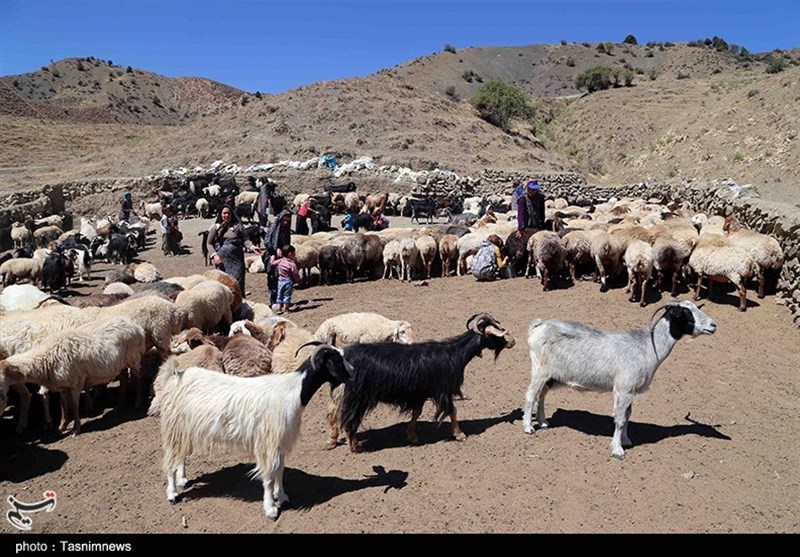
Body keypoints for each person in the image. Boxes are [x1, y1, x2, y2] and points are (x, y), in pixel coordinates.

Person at [206, 205, 263, 295]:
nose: (227, 215)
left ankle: (239, 303)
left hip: (237, 260)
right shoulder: (215, 228)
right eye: (224, 213)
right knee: (223, 282)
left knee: (238, 281)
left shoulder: (238, 227)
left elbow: (246, 240)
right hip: (222, 261)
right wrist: (214, 255)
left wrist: (252, 247)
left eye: (228, 213)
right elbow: (209, 243)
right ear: (220, 215)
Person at [263, 209, 293, 306]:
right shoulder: (274, 227)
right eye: (284, 220)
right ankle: (273, 301)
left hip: (282, 256)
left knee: (282, 277)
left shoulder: (286, 229)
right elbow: (267, 241)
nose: (285, 222)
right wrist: (274, 250)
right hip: (271, 255)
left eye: (287, 221)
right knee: (272, 277)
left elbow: (287, 243)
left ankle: (280, 300)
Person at [271, 244, 301, 314]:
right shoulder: (292, 264)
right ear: (290, 254)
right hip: (288, 282)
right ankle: (285, 308)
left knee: (280, 294)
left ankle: (278, 307)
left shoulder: (280, 261)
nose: (295, 255)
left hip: (280, 281)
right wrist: (298, 280)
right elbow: (295, 273)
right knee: (287, 295)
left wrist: (272, 258)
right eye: (294, 254)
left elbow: (272, 264)